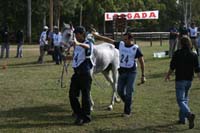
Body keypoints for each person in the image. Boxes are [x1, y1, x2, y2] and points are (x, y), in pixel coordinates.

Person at [92, 31, 146, 117]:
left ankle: (127, 112)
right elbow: (108, 40)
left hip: (131, 72)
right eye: (123, 39)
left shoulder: (135, 48)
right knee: (120, 91)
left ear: (131, 39)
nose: (124, 41)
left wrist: (143, 75)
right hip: (122, 72)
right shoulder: (121, 45)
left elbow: (141, 61)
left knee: (129, 91)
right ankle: (128, 102)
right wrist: (98, 36)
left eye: (126, 39)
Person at [165, 35, 200, 129]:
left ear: (180, 43)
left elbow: (172, 66)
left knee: (180, 100)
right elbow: (197, 69)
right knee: (185, 99)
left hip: (180, 79)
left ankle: (189, 114)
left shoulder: (177, 53)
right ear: (189, 43)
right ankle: (182, 119)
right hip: (189, 80)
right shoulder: (194, 54)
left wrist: (168, 75)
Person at [69, 26, 94, 125]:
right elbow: (76, 57)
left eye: (77, 34)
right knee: (72, 95)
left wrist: (78, 43)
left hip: (85, 74)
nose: (75, 36)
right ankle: (79, 114)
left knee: (85, 97)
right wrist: (67, 57)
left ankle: (86, 117)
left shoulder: (88, 42)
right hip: (76, 74)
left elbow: (89, 47)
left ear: (82, 34)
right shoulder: (77, 45)